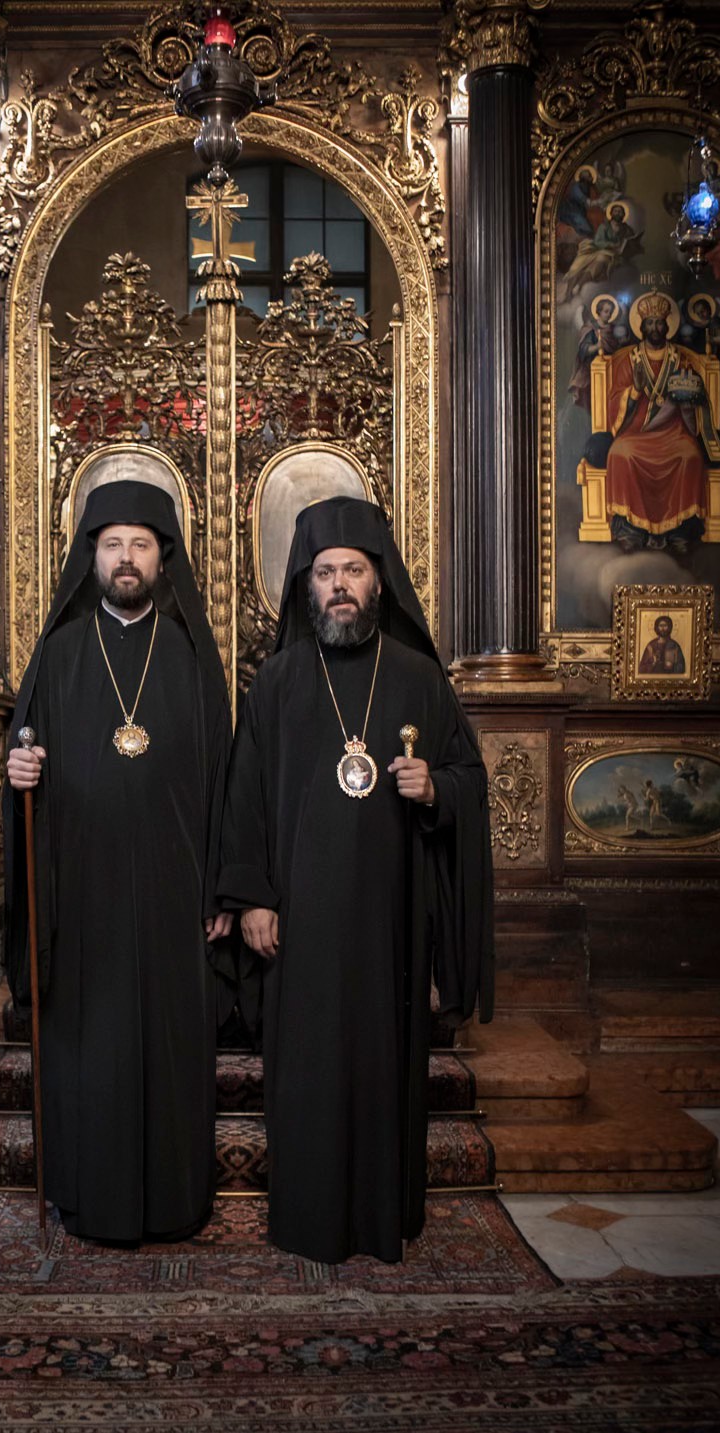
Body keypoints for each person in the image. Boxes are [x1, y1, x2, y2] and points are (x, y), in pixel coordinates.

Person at [218, 497, 493, 1265]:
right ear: (305, 586)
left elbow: (470, 779)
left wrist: (435, 788)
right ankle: (306, 1219)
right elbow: (244, 797)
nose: (339, 584)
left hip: (388, 920)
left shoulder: (418, 678)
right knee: (304, 1072)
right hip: (298, 920)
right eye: (325, 572)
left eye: (354, 570)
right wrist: (253, 897)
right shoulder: (275, 682)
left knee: (381, 1069)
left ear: (379, 582)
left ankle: (379, 1218)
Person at [2, 479, 233, 1245]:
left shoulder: (192, 657)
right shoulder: (61, 653)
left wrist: (219, 884)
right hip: (83, 891)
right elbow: (24, 765)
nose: (126, 558)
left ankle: (175, 1200)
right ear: (91, 558)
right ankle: (89, 1197)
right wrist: (18, 772)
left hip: (174, 892)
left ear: (163, 559)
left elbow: (223, 779)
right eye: (111, 545)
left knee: (169, 1049)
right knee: (91, 1049)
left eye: (139, 544)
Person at [606, 294, 720, 554]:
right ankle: (631, 530)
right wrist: (635, 390)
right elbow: (614, 401)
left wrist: (686, 398)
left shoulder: (679, 358)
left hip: (674, 430)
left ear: (667, 326)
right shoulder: (630, 360)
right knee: (620, 454)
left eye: (659, 322)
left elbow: (691, 389)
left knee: (690, 456)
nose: (655, 328)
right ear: (641, 326)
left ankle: (680, 532)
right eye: (650, 323)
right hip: (636, 431)